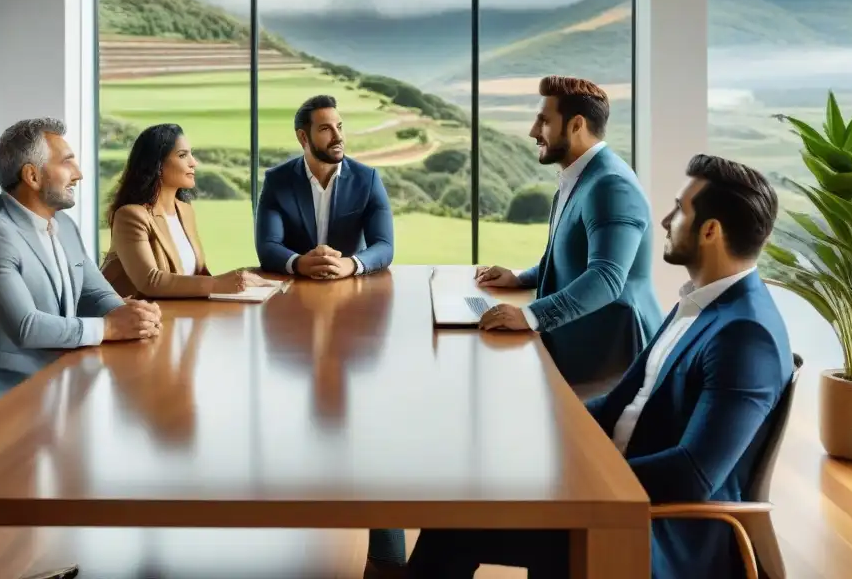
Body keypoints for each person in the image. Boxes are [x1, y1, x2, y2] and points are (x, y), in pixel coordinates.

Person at [405, 154, 793, 579]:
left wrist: (575, 481)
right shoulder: (700, 303)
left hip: (652, 528)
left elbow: (692, 475)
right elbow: (620, 403)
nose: (664, 220)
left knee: (456, 523)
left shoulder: (745, 334)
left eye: (679, 209)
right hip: (614, 489)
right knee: (464, 504)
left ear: (711, 231)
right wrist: (536, 432)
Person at [0, 118, 162, 416]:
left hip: (54, 385)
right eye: (67, 163)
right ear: (32, 176)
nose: (79, 174)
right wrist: (110, 327)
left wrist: (131, 315)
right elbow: (26, 327)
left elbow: (93, 292)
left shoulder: (63, 225)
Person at [474, 76, 663, 387]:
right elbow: (571, 255)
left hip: (611, 360)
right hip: (579, 344)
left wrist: (529, 316)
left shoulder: (611, 185)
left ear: (576, 125)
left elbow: (606, 278)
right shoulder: (580, 176)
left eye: (544, 121)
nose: (533, 132)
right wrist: (522, 278)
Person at [100, 123, 273, 298]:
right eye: (183, 155)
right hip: (140, 318)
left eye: (191, 154)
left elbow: (199, 275)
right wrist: (219, 284)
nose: (193, 163)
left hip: (182, 315)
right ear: (157, 165)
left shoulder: (184, 210)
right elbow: (150, 281)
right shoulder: (131, 216)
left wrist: (243, 278)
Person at [255, 95, 394, 280]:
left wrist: (350, 264)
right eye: (325, 129)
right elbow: (268, 246)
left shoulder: (368, 180)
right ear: (303, 137)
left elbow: (384, 245)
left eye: (339, 127)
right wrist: (299, 263)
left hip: (350, 289)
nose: (338, 137)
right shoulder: (277, 181)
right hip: (295, 290)